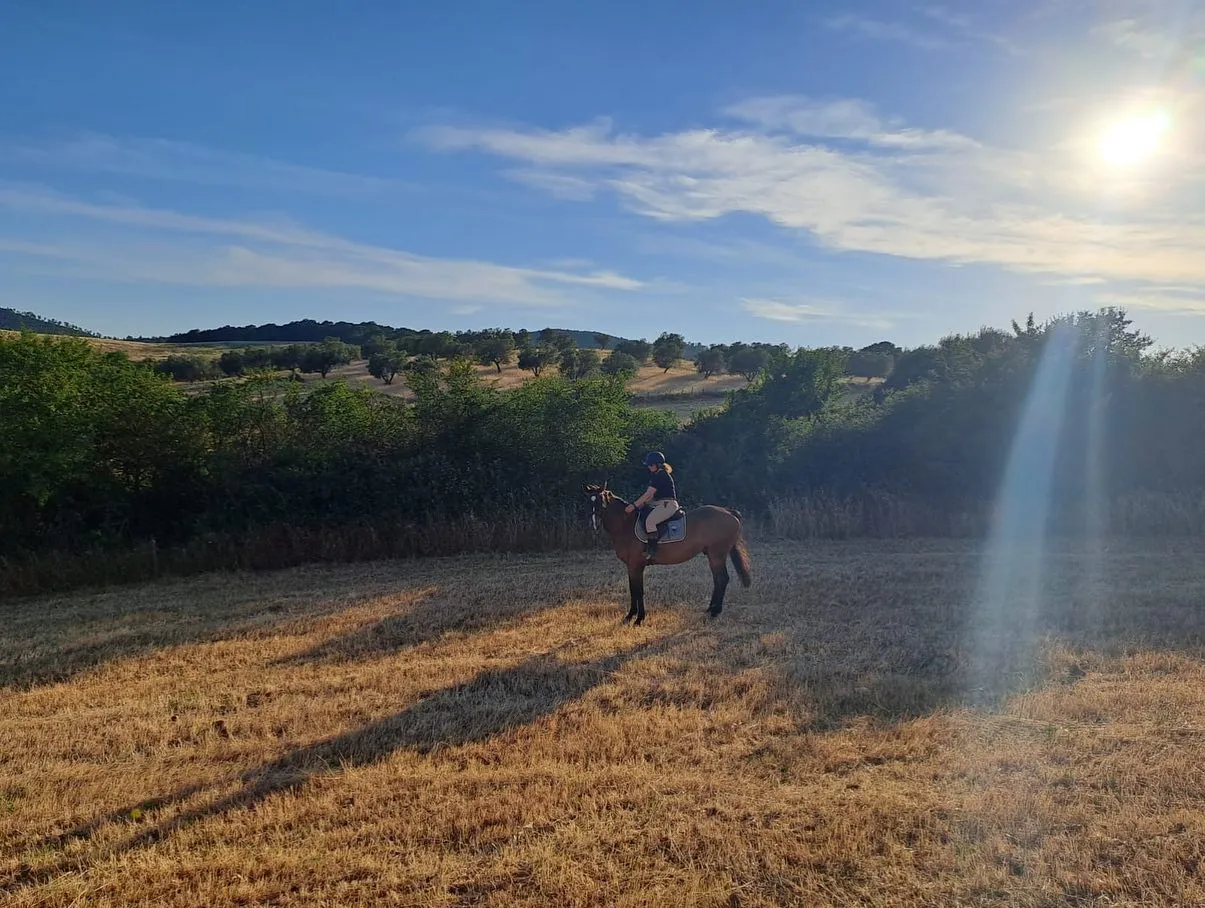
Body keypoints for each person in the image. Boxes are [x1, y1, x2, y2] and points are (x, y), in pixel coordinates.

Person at [625, 451, 679, 559]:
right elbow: (650, 497)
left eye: (651, 465)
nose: (649, 467)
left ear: (658, 465)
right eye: (648, 465)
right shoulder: (657, 475)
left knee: (650, 521)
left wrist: (634, 505)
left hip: (667, 504)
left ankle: (653, 551)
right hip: (660, 503)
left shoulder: (661, 475)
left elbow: (648, 494)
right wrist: (642, 504)